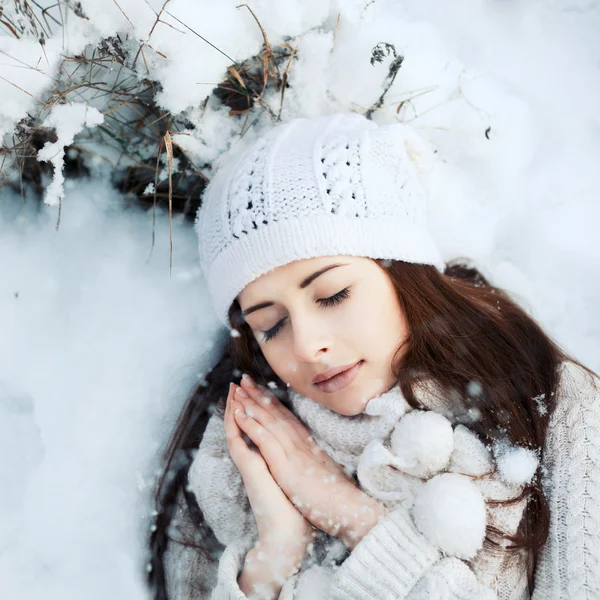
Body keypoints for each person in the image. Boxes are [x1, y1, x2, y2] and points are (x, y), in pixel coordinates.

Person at [147, 113, 600, 600]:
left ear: (402, 271)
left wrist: (347, 514)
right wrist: (275, 555)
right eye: (270, 325)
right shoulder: (234, 458)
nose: (305, 345)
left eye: (333, 294)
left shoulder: (553, 403)